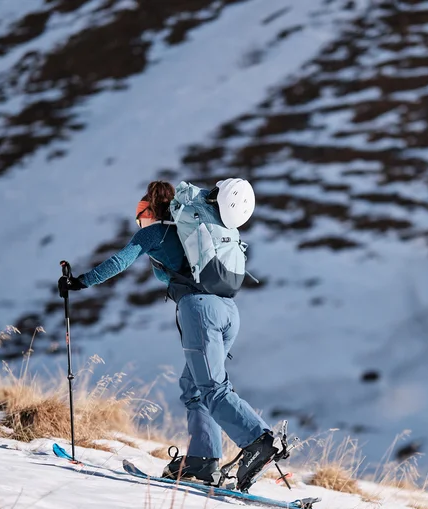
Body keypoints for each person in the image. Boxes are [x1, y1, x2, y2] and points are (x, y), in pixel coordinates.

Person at [58, 179, 285, 491]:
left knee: (211, 388)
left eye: (141, 213)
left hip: (200, 308)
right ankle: (202, 461)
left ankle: (259, 441)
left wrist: (79, 282)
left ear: (151, 209)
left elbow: (118, 262)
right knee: (194, 386)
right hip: (229, 311)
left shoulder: (155, 232)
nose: (139, 219)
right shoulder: (197, 227)